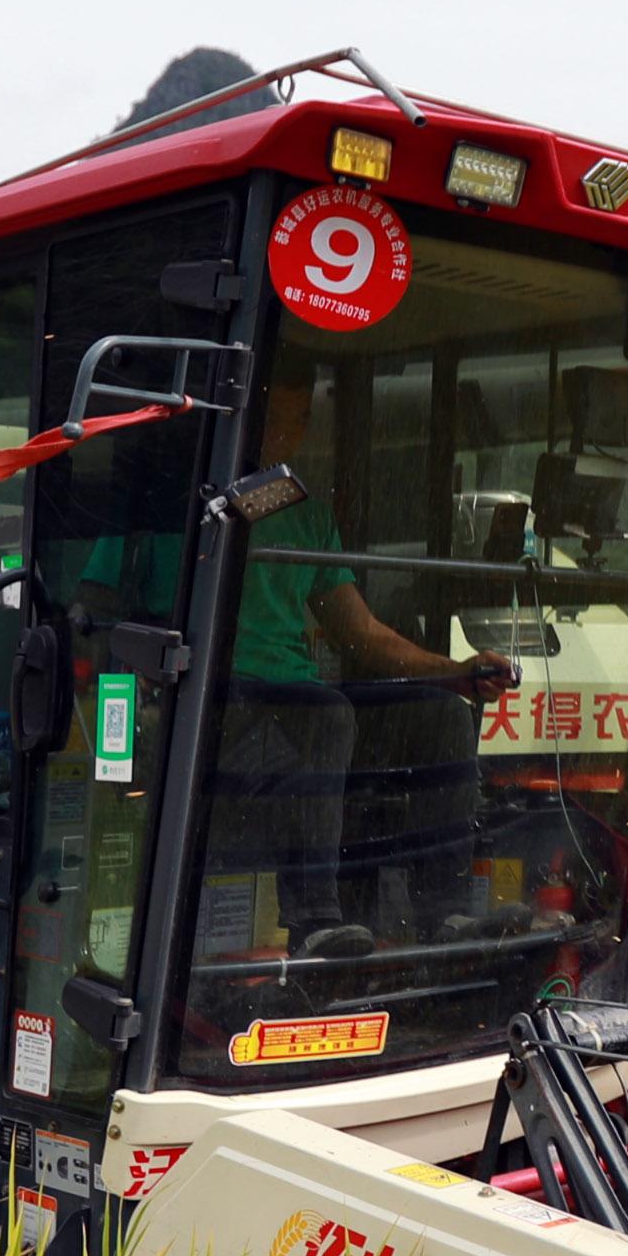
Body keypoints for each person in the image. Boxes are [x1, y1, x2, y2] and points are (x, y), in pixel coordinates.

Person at [206, 366, 515, 960]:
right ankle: (314, 921)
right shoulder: (178, 508)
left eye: (300, 419)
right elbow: (102, 612)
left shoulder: (306, 515)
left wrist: (456, 671)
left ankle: (442, 911)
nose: (289, 433)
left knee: (443, 717)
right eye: (278, 418)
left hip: (293, 708)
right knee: (328, 713)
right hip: (219, 707)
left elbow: (361, 635)